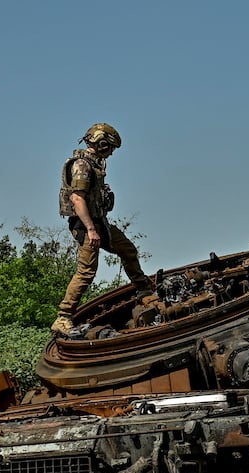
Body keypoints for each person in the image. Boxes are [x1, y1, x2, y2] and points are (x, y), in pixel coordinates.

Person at [54, 122, 149, 336]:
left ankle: (143, 289)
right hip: (87, 224)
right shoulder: (82, 165)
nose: (112, 153)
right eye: (111, 147)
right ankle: (63, 317)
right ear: (102, 143)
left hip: (99, 222)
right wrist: (91, 229)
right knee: (86, 271)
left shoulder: (94, 165)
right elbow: (77, 198)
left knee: (127, 249)